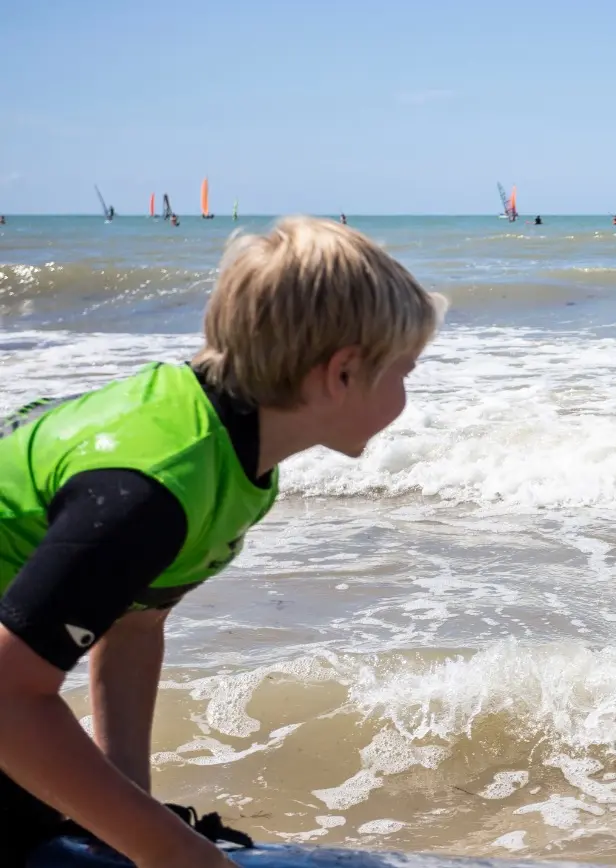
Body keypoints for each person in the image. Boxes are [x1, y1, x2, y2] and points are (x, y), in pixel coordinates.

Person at [0, 217, 445, 868]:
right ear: (343, 373)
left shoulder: (230, 451)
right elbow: (9, 698)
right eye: (405, 370)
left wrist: (130, 824)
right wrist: (178, 857)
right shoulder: (153, 489)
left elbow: (134, 623)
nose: (408, 393)